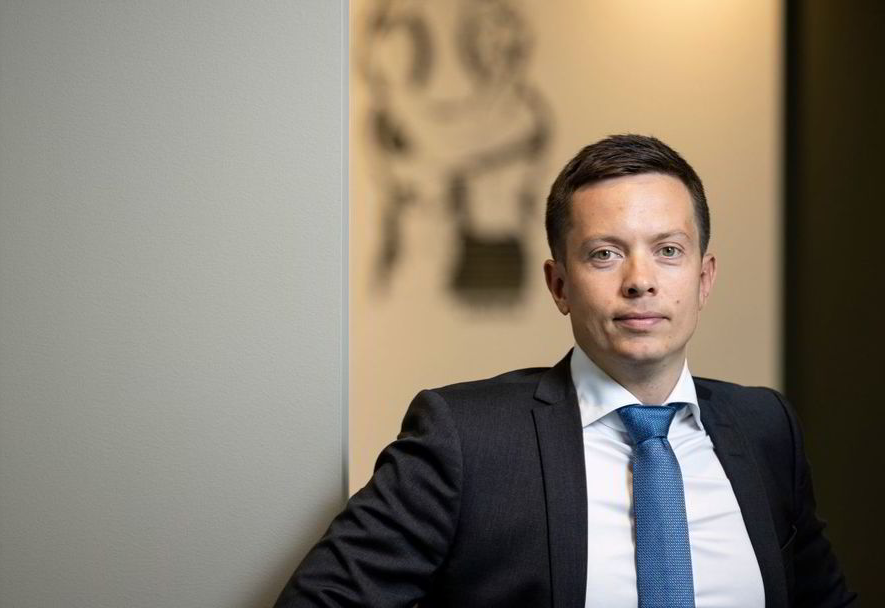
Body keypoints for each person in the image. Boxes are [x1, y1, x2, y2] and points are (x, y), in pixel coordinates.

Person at [274, 134, 856, 607]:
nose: (640, 280)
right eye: (605, 253)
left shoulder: (765, 427)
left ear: (704, 280)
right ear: (559, 286)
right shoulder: (465, 438)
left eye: (668, 251)